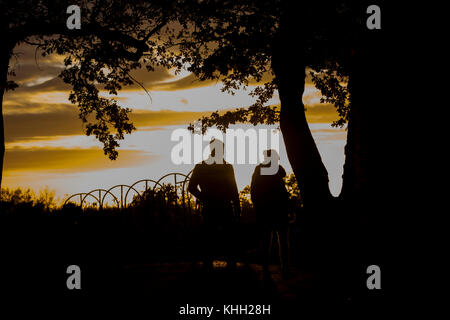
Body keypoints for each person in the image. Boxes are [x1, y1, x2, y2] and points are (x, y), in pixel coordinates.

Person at [188, 139, 241, 269]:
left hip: (217, 206)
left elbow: (233, 189)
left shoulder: (203, 166)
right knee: (215, 236)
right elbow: (192, 187)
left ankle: (216, 262)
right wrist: (236, 206)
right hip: (217, 206)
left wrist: (204, 197)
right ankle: (221, 263)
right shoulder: (223, 167)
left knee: (217, 236)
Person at [251, 149, 290, 278]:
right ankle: (283, 267)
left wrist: (257, 206)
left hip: (267, 209)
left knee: (268, 240)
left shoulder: (260, 169)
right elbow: (283, 174)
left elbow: (254, 190)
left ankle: (267, 267)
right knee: (281, 240)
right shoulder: (276, 169)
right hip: (277, 209)